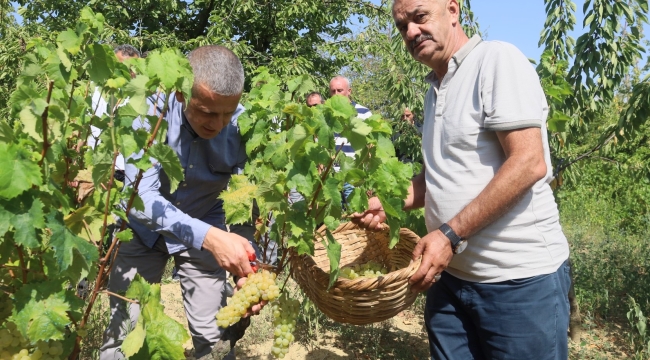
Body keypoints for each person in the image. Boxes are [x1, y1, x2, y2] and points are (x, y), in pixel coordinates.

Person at [353, 0, 571, 359]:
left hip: (519, 285)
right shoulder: (433, 90)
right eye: (401, 25)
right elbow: (437, 179)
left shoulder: (496, 61)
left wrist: (449, 235)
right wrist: (386, 201)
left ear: (453, 11)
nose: (410, 31)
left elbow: (529, 162)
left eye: (419, 16)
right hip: (451, 281)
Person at [100, 45, 261, 360]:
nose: (218, 123)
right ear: (181, 93)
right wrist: (211, 238)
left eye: (228, 112)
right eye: (207, 111)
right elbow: (141, 200)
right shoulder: (146, 113)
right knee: (124, 339)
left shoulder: (243, 126)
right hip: (142, 234)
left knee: (215, 339)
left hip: (205, 224)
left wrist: (247, 260)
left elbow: (241, 204)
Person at [328, 76, 372, 202]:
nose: (336, 94)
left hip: (353, 175)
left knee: (355, 215)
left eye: (340, 90)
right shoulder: (326, 113)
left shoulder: (363, 113)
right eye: (333, 91)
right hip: (331, 176)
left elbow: (370, 145)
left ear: (349, 91)